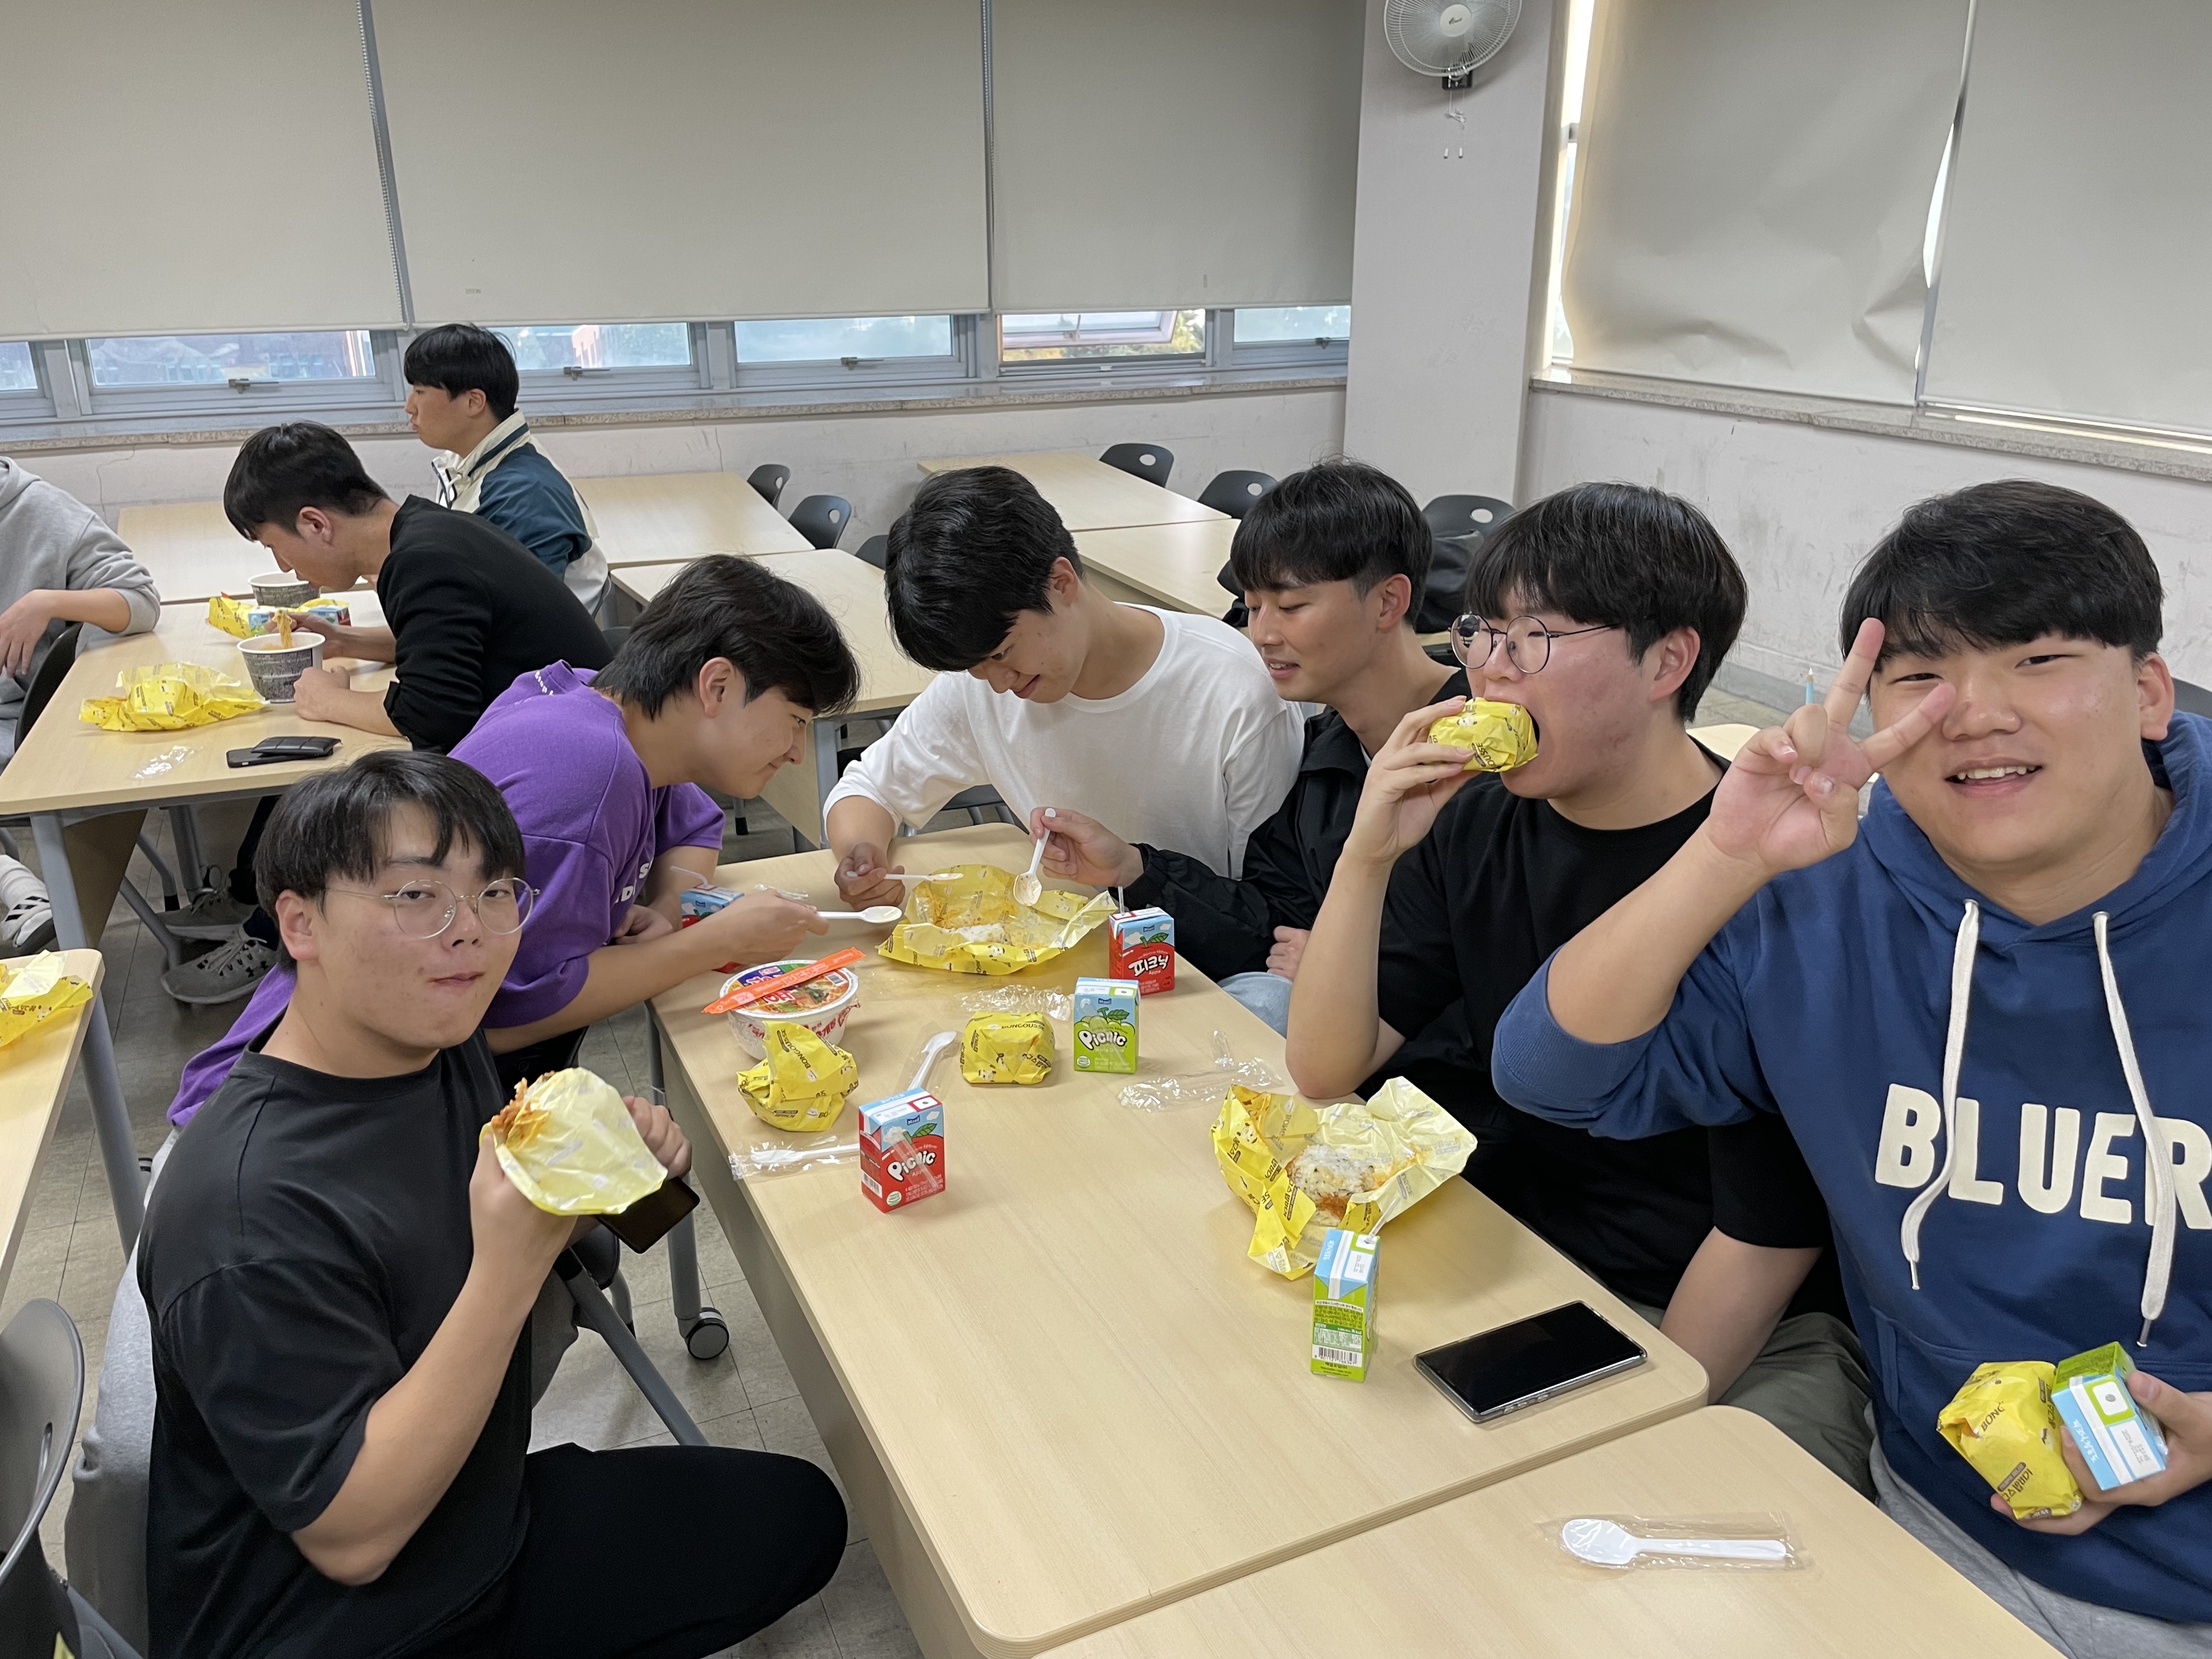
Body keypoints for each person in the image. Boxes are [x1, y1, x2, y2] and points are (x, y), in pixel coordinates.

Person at [1494, 481, 2212, 1655]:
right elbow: (1552, 1074)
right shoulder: (1823, 899)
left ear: (2147, 691)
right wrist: (1725, 854)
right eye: (1921, 676)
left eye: (2037, 660)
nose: (1974, 715)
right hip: (1935, 1526)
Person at [137, 751, 846, 1658]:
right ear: (300, 923)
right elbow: (352, 1539)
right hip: (335, 1619)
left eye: (497, 892)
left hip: (468, 1501)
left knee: (799, 1514)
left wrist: (608, 1181)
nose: (469, 931)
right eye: (415, 895)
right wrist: (511, 1267)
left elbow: (503, 1230)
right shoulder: (244, 1214)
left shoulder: (433, 1042)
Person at [1285, 482, 1875, 1494]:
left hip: (1716, 1315)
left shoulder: (1770, 867)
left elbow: (1766, 1234)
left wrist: (1628, 1424)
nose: (1488, 670)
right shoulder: (1475, 821)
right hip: (1521, 1255)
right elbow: (1324, 1064)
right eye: (1482, 633)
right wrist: (1368, 854)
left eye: (1534, 639)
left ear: (1667, 662)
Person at [166, 554, 859, 1121]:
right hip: (306, 1115)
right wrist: (710, 943)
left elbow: (693, 823)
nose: (798, 752)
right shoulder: (589, 772)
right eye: (796, 721)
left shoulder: (604, 710)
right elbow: (504, 1014)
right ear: (717, 686)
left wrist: (672, 902)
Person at [162, 423, 612, 1005]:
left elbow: (434, 714)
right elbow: (452, 641)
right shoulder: (425, 530)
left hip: (567, 772)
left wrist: (326, 699)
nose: (287, 567)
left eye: (276, 547)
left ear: (316, 524)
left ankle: (268, 936)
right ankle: (254, 903)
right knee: (313, 764)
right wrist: (346, 643)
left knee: (331, 792)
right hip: (562, 732)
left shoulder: (421, 562)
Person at [1022, 460, 1466, 1036]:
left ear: (1388, 602)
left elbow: (1503, 978)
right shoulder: (1325, 753)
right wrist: (1135, 869)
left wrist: (1353, 974)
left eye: (1292, 607)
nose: (1263, 634)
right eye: (1254, 607)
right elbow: (1270, 925)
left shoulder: (1489, 763)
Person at [827, 465, 1300, 905]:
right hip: (1073, 945)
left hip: (1197, 954)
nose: (997, 685)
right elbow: (871, 787)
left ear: (1060, 582)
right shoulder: (986, 680)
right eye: (975, 668)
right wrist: (862, 857)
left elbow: (1275, 905)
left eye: (1002, 654)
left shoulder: (1234, 691)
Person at [0, 456, 161, 952]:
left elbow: (140, 601)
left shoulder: (40, 511)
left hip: (16, 720)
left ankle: (20, 892)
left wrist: (45, 602)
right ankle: (16, 886)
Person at [403, 324, 608, 612]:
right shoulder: (467, 463)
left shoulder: (525, 494)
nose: (409, 406)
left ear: (473, 402)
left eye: (420, 391)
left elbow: (520, 619)